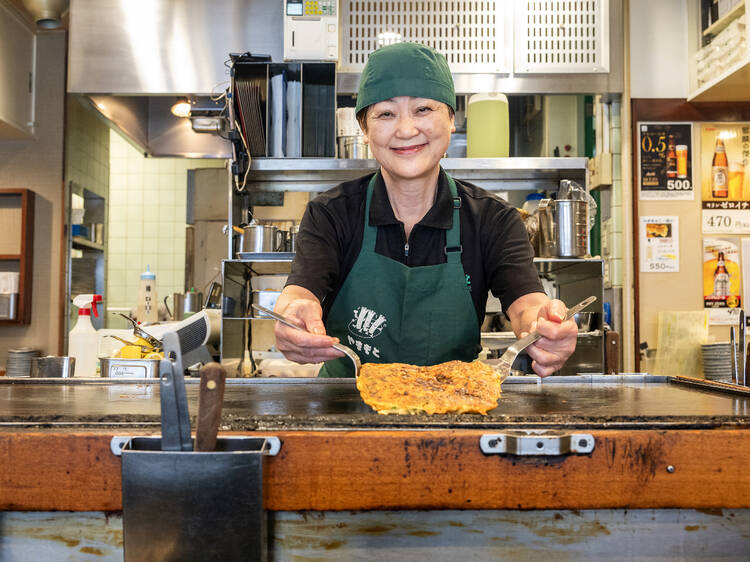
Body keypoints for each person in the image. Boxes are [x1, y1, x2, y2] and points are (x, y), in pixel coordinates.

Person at [273, 42, 578, 378]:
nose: (406, 130)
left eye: (423, 110)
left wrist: (544, 327)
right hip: (344, 413)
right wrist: (293, 315)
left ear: (451, 119)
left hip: (456, 409)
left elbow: (527, 306)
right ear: (365, 128)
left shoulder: (494, 220)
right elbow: (300, 294)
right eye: (386, 114)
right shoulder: (330, 214)